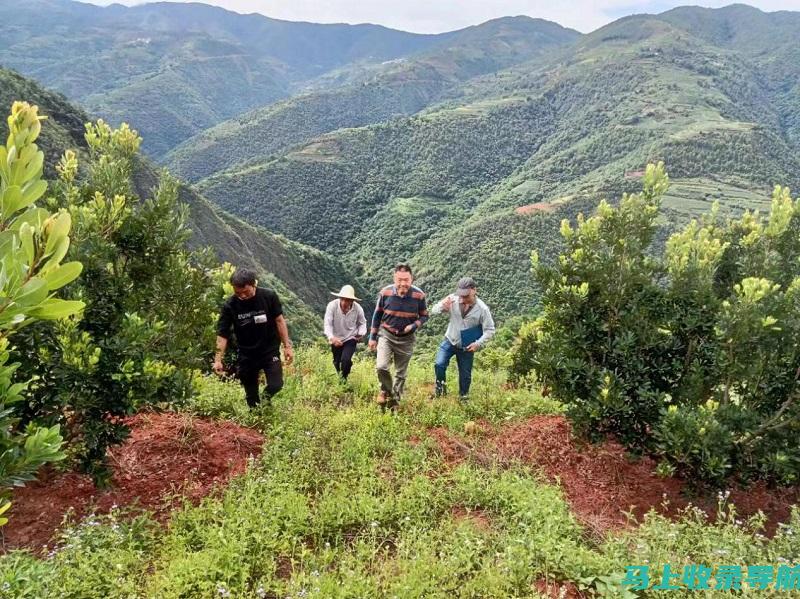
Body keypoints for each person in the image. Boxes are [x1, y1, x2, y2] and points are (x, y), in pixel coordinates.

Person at [213, 268, 294, 408]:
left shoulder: (269, 296)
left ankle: (265, 399)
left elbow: (279, 321)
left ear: (253, 284)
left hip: (269, 350)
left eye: (246, 292)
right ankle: (257, 419)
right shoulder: (230, 305)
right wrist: (218, 360)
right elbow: (222, 334)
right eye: (238, 293)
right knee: (251, 396)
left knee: (276, 384)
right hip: (246, 354)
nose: (242, 296)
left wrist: (287, 346)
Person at [368, 264, 428, 409]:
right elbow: (377, 316)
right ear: (394, 279)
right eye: (400, 280)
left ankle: (395, 400)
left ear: (411, 279)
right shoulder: (385, 293)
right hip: (387, 335)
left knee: (400, 373)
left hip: (407, 339)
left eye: (406, 280)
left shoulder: (419, 295)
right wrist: (372, 337)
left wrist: (413, 326)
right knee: (381, 366)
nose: (403, 283)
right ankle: (385, 390)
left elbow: (425, 316)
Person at [431, 277, 495, 400]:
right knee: (439, 364)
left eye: (466, 296)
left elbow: (490, 330)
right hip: (450, 340)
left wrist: (478, 343)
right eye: (461, 295)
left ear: (474, 290)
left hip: (467, 346)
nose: (462, 298)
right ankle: (440, 392)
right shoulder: (452, 299)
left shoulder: (482, 309)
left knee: (465, 375)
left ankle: (463, 397)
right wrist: (443, 307)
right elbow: (434, 310)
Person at [324, 284, 367, 382]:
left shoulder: (357, 308)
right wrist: (331, 338)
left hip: (350, 338)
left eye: (347, 300)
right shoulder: (332, 306)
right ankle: (341, 375)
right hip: (336, 338)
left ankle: (343, 380)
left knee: (346, 360)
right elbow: (328, 324)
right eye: (342, 299)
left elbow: (362, 323)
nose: (344, 302)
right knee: (336, 362)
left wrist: (360, 334)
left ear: (352, 301)